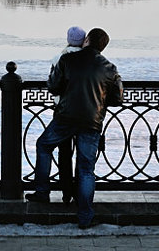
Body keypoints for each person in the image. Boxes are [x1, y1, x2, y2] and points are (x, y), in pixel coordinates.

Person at [25, 26, 123, 229]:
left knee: (44, 146)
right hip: (91, 121)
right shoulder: (110, 68)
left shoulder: (67, 60)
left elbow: (53, 86)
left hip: (66, 118)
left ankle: (42, 192)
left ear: (86, 40)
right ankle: (85, 216)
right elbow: (117, 99)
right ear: (103, 47)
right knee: (86, 168)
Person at [50, 25, 86, 203]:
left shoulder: (59, 58)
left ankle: (66, 191)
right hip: (84, 111)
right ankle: (81, 191)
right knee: (83, 152)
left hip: (62, 111)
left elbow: (52, 84)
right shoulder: (87, 59)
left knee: (64, 153)